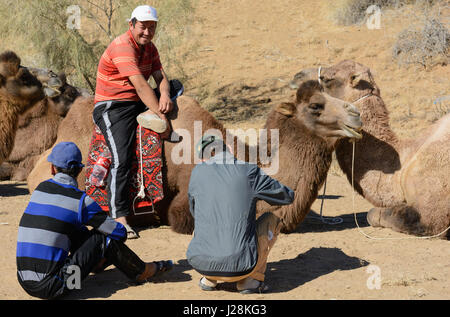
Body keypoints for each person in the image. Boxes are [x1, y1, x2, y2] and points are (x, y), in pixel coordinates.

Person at [16, 142, 173, 299]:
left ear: (52, 169)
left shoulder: (40, 190)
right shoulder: (80, 201)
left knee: (70, 227)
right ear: (79, 170)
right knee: (103, 238)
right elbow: (119, 232)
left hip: (23, 282)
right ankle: (141, 271)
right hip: (59, 288)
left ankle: (96, 263)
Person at [92, 5, 183, 238]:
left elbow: (160, 77)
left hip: (136, 101)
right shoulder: (122, 47)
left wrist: (163, 94)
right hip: (113, 105)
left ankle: (147, 114)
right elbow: (141, 85)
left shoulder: (150, 47)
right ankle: (119, 216)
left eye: (152, 28)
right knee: (121, 158)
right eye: (143, 27)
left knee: (175, 87)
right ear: (131, 25)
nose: (147, 32)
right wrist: (162, 115)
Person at [186, 135, 295, 294]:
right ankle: (249, 280)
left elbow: (195, 212)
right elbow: (287, 196)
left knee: (203, 222)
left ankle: (209, 279)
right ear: (229, 150)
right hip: (240, 267)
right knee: (272, 218)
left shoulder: (196, 172)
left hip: (199, 263)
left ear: (203, 159)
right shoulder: (249, 170)